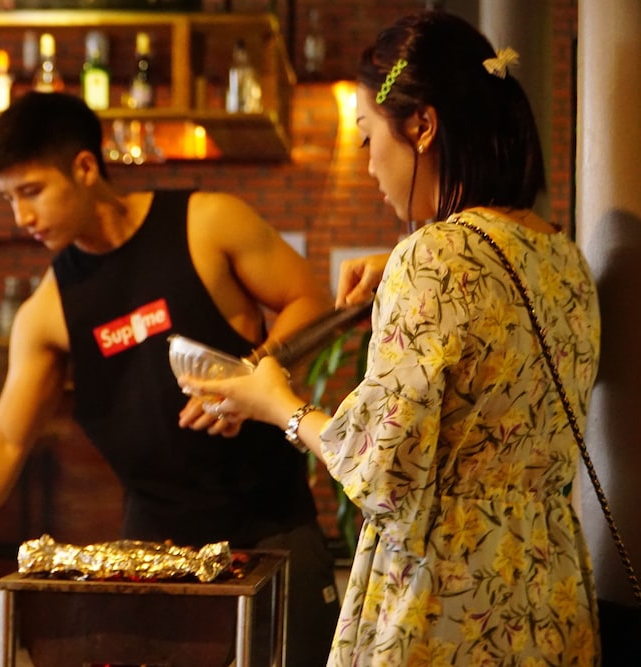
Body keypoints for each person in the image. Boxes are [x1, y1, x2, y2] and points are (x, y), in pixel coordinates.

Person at [180, 11, 600, 666]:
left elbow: (384, 469)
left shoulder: (433, 257)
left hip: (447, 600)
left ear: (422, 126)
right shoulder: (562, 256)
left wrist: (277, 404)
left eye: (366, 136)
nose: (368, 162)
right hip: (547, 594)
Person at [0, 91, 340, 665]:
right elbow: (5, 438)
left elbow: (310, 300)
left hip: (273, 525)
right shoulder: (48, 310)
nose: (21, 217)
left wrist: (249, 375)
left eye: (31, 192)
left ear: (84, 167)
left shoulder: (207, 224)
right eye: (9, 198)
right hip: (156, 545)